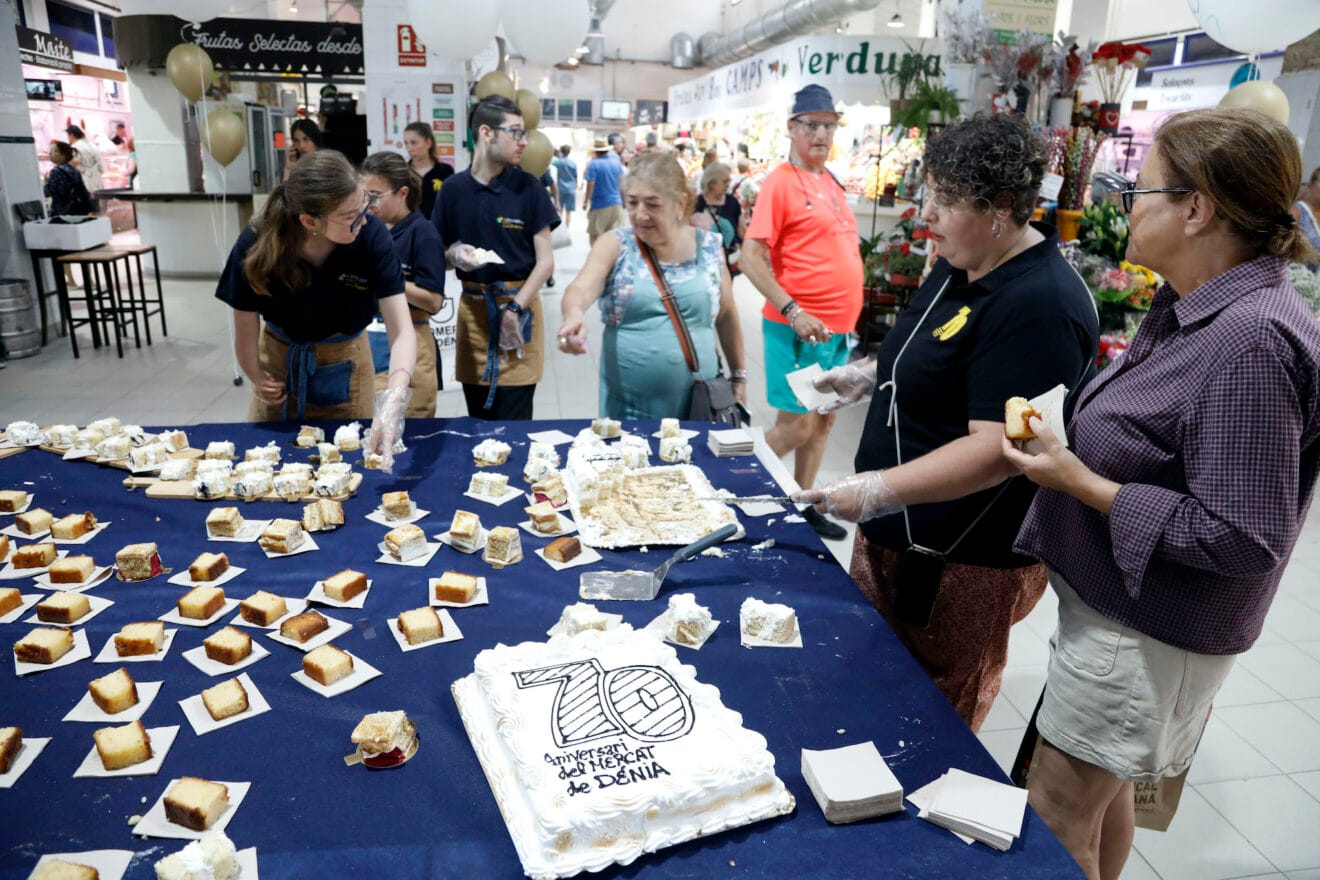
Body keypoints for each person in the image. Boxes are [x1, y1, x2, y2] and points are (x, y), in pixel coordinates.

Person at [1001, 108, 1320, 880]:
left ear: (1197, 207)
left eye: (1135, 189)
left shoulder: (1250, 341)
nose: (1122, 204)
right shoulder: (1196, 308)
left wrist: (1078, 479)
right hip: (1121, 617)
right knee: (1104, 799)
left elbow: (1242, 535)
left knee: (1057, 814)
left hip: (1142, 635)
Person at [795, 113, 1099, 731]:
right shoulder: (961, 260)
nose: (925, 214)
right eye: (928, 192)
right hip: (897, 535)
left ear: (1003, 208)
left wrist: (878, 490)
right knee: (870, 691)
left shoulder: (1041, 305)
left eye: (947, 199)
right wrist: (874, 373)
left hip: (963, 558)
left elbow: (998, 449)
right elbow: (939, 351)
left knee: (931, 719)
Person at [215, 150, 416, 469]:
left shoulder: (371, 236)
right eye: (351, 216)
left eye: (365, 203)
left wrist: (393, 401)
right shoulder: (258, 241)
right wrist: (256, 376)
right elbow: (246, 326)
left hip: (347, 361)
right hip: (280, 365)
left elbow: (403, 331)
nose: (364, 218)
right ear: (309, 221)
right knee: (271, 466)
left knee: (349, 468)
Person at [741, 84, 862, 542]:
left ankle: (801, 505)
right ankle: (737, 479)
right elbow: (751, 256)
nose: (821, 133)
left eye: (829, 124)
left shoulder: (830, 181)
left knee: (825, 420)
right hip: (797, 330)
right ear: (792, 127)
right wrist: (792, 310)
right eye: (811, 124)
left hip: (837, 331)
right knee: (798, 424)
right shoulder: (781, 182)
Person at [558, 151, 747, 419]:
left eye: (652, 204)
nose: (640, 214)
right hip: (629, 413)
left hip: (699, 408)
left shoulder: (709, 248)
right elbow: (580, 289)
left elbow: (727, 315)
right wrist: (574, 313)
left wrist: (739, 374)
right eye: (632, 203)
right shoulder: (617, 245)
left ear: (680, 204)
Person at [433, 95, 558, 420]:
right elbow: (439, 258)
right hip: (474, 311)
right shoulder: (452, 190)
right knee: (478, 418)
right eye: (515, 132)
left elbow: (545, 262)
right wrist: (454, 254)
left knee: (515, 417)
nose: (524, 142)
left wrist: (516, 308)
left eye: (525, 133)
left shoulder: (529, 188)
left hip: (519, 308)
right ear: (486, 133)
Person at [361, 151, 445, 418]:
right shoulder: (366, 229)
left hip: (411, 340)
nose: (368, 203)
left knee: (406, 432)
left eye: (375, 195)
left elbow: (433, 301)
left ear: (402, 193)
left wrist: (388, 280)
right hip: (369, 343)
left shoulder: (422, 233)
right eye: (364, 195)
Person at [694, 162, 743, 276]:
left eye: (728, 181)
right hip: (703, 264)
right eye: (725, 181)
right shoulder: (696, 204)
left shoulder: (732, 202)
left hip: (729, 261)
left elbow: (742, 230)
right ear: (712, 183)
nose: (728, 185)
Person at [403, 121, 453, 220]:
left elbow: (450, 204)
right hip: (410, 229)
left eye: (414, 143)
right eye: (406, 143)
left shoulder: (445, 171)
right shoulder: (402, 172)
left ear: (428, 143)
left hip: (438, 229)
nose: (409, 148)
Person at [585, 136, 625, 245]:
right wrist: (623, 200)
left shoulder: (594, 163)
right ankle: (610, 260)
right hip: (617, 204)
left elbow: (591, 183)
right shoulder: (617, 163)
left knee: (594, 235)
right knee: (613, 236)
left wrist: (586, 201)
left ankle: (597, 259)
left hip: (600, 205)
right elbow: (622, 182)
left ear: (595, 151)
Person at [44, 141, 94, 217]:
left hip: (61, 211)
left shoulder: (56, 171)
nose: (50, 153)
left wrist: (46, 182)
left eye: (54, 151)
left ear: (63, 155)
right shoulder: (74, 170)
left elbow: (49, 191)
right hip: (75, 209)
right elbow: (83, 191)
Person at [64, 125, 101, 209]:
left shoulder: (75, 147)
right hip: (97, 184)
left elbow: (73, 164)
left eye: (68, 136)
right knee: (97, 211)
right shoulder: (93, 146)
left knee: (87, 212)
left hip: (84, 185)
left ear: (71, 135)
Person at [1290, 165, 1320, 271]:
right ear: (1311, 185)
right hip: (1299, 280)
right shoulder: (1297, 211)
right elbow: (1285, 247)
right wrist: (1315, 256)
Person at [553, 145, 578, 226]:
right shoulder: (573, 163)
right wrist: (576, 186)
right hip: (571, 189)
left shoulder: (557, 162)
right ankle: (567, 228)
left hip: (560, 188)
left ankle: (560, 228)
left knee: (559, 210)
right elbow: (575, 176)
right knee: (568, 212)